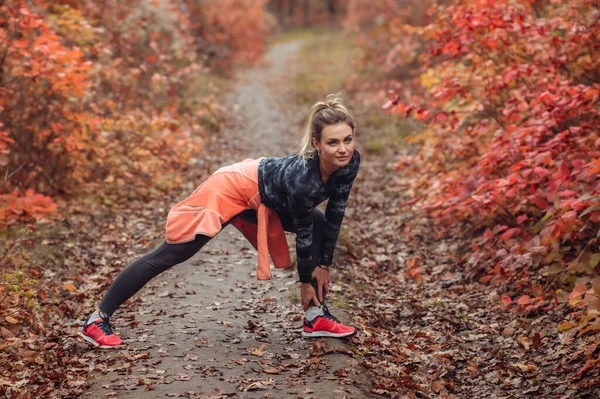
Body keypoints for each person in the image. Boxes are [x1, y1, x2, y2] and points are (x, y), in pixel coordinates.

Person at [80, 94, 361, 348]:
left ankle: (315, 317)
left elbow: (336, 212)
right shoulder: (303, 180)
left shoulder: (349, 163)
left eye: (347, 140)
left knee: (324, 223)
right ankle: (97, 319)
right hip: (231, 187)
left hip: (265, 195)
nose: (342, 149)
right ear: (316, 143)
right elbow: (304, 233)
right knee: (171, 254)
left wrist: (325, 264)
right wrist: (306, 282)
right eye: (332, 142)